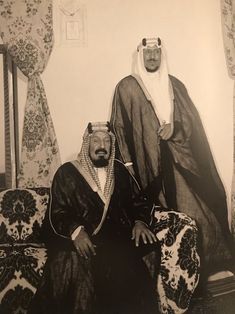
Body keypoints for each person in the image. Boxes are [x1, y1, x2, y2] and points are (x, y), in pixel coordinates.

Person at [28, 122, 199, 314]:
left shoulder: (119, 171)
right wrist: (76, 230)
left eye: (106, 141)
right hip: (84, 238)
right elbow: (58, 212)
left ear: (111, 146)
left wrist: (140, 222)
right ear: (86, 144)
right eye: (96, 141)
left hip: (116, 238)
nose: (101, 146)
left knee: (147, 248)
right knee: (75, 262)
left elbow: (138, 201)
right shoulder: (66, 173)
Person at [110, 37, 235, 287]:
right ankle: (171, 280)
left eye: (157, 52)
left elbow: (192, 123)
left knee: (200, 211)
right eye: (148, 53)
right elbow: (120, 128)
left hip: (180, 162)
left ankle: (206, 268)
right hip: (147, 169)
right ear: (140, 56)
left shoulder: (175, 85)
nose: (153, 57)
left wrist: (174, 128)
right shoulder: (126, 87)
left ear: (162, 55)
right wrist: (129, 167)